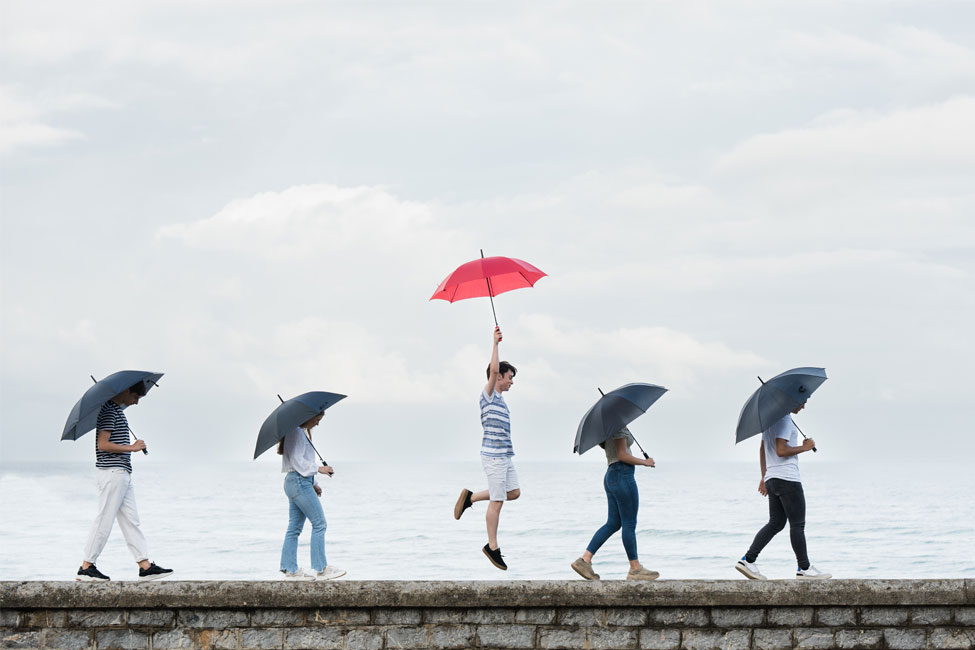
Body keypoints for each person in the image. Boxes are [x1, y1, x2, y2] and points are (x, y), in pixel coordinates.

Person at [76, 381, 173, 581]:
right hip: (112, 472)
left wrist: (132, 447)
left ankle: (144, 566)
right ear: (127, 391)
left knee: (131, 520)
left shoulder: (117, 411)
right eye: (136, 397)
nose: (136, 403)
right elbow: (103, 444)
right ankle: (87, 566)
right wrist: (132, 448)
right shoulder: (109, 411)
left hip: (122, 473)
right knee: (105, 518)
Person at [735, 401, 831, 580]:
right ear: (792, 399)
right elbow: (781, 450)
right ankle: (804, 568)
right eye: (803, 401)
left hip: (773, 478)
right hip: (787, 479)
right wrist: (805, 447)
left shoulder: (770, 421)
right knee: (797, 525)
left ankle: (748, 560)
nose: (803, 406)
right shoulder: (785, 419)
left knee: (776, 523)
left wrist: (764, 476)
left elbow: (763, 449)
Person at [453, 326, 520, 570]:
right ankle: (492, 547)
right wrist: (495, 343)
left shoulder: (502, 401)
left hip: (504, 456)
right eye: (509, 376)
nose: (512, 381)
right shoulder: (488, 395)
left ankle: (470, 497)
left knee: (513, 493)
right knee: (498, 501)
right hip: (493, 457)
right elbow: (492, 369)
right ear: (498, 377)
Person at [570, 426, 659, 581]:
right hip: (623, 474)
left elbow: (608, 447)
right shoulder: (618, 425)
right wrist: (645, 462)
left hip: (612, 475)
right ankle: (635, 568)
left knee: (613, 523)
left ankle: (585, 560)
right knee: (629, 524)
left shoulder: (606, 427)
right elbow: (622, 455)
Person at [278, 412, 346, 580]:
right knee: (319, 524)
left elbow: (299, 463)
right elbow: (297, 460)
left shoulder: (298, 432)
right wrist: (319, 469)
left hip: (297, 482)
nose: (317, 424)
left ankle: (290, 570)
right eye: (317, 419)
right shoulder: (296, 432)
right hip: (299, 482)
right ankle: (321, 568)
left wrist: (313, 483)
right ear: (308, 416)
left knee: (294, 528)